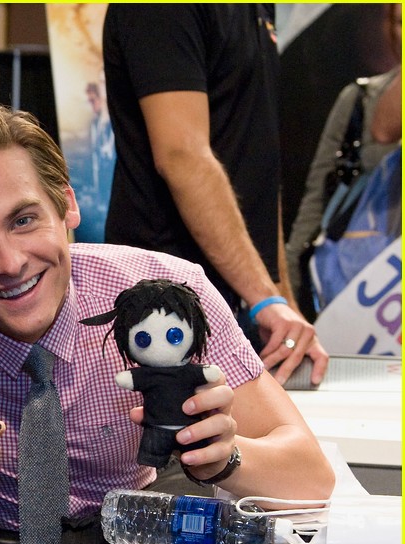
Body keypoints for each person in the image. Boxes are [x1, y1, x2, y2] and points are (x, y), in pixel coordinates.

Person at [0, 100, 335, 544]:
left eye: (23, 220)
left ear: (67, 205)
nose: (9, 263)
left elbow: (313, 482)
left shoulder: (166, 299)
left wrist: (225, 458)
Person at [102, 3, 328, 386]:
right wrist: (266, 298)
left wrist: (280, 301)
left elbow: (255, 173)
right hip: (164, 309)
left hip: (240, 303)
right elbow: (181, 155)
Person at [286, 4, 401, 310]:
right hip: (359, 293)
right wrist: (289, 294)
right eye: (401, 23)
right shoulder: (360, 99)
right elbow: (316, 201)